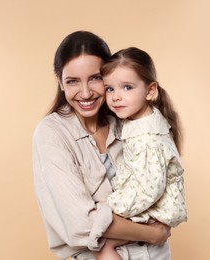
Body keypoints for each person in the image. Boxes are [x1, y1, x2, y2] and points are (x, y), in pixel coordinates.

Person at [33, 31, 172, 260]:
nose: (86, 93)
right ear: (60, 81)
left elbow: (159, 189)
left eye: (95, 78)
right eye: (72, 81)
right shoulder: (51, 133)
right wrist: (152, 234)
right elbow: (80, 224)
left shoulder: (127, 118)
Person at [93, 47, 188, 259]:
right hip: (145, 205)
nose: (116, 97)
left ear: (150, 90)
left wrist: (111, 205)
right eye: (109, 89)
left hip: (154, 210)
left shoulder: (147, 137)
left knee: (101, 244)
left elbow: (149, 190)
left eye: (127, 87)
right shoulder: (141, 121)